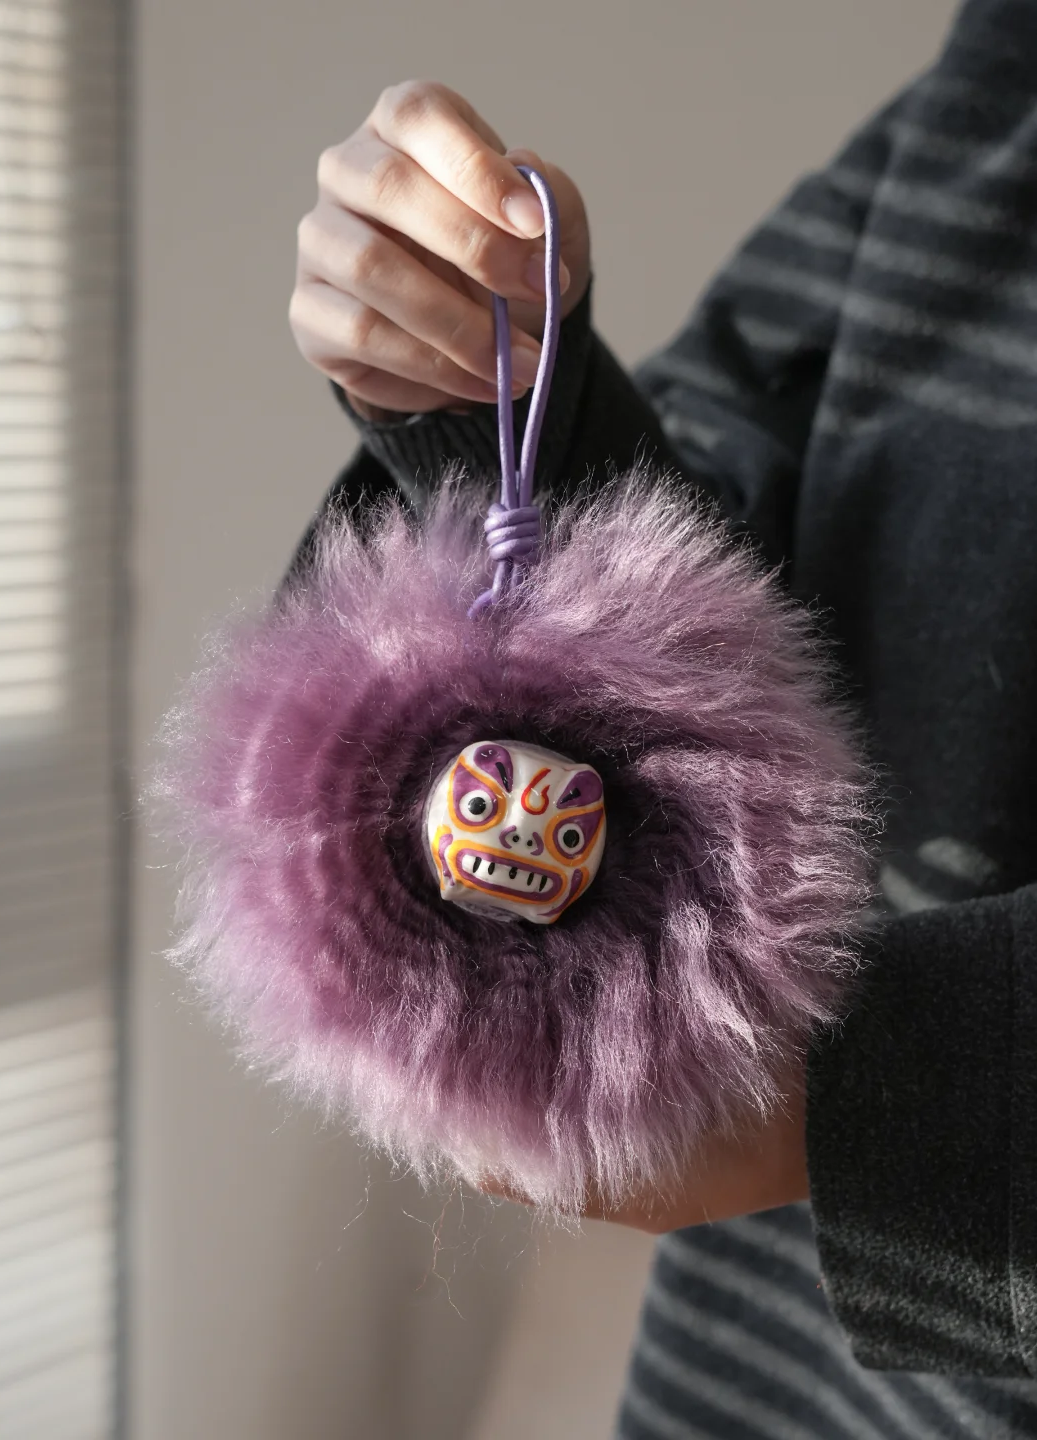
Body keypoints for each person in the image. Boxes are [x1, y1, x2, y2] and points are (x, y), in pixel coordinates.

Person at [287, 1, 1037, 1433]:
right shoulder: (1003, 89)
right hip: (771, 1375)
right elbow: (719, 594)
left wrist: (911, 1083)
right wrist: (483, 388)